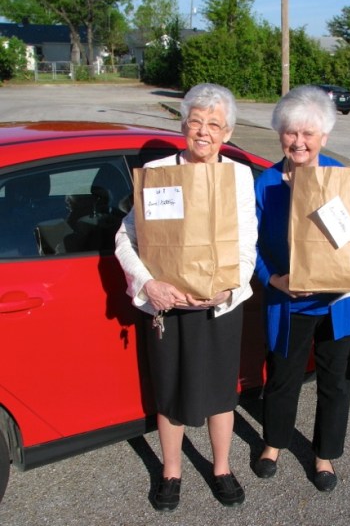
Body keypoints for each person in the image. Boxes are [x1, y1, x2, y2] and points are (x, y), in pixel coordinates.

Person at [115, 83, 257, 511]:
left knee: (220, 392)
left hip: (219, 305)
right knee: (170, 391)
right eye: (196, 121)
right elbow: (125, 237)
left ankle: (221, 468)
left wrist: (231, 287)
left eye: (214, 124)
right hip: (168, 304)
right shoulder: (159, 173)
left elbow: (247, 241)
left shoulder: (237, 175)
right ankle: (171, 471)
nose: (203, 131)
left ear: (227, 133)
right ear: (183, 126)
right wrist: (148, 285)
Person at [253, 85, 350, 492]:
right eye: (291, 132)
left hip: (339, 305)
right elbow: (248, 246)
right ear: (280, 134)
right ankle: (273, 443)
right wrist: (272, 279)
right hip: (290, 304)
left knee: (335, 382)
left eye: (308, 134)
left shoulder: (340, 180)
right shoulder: (266, 184)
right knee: (282, 378)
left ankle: (324, 454)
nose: (299, 141)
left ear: (324, 136)